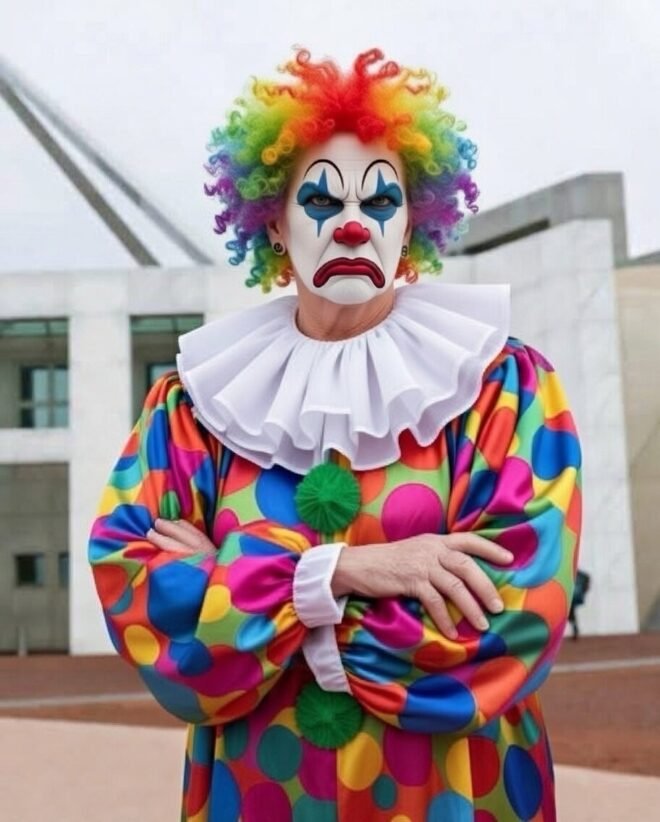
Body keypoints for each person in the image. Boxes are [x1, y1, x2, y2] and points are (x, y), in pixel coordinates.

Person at [89, 48, 582, 821]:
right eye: (320, 200)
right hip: (261, 796)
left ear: (413, 222)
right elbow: (141, 597)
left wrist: (248, 596)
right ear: (275, 226)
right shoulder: (191, 406)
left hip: (453, 793)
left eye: (380, 202)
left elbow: (511, 619)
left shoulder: (503, 387)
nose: (353, 222)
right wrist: (347, 572)